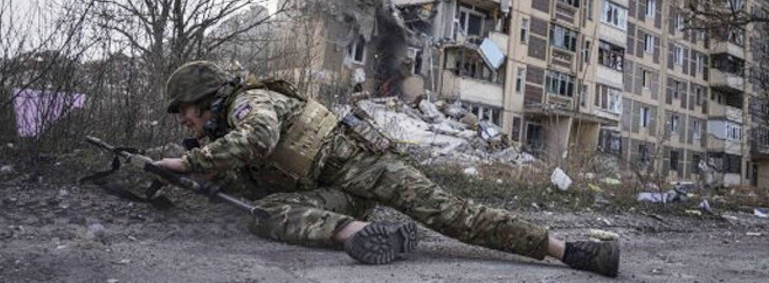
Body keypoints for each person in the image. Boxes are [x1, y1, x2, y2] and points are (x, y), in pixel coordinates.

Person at [154, 61, 619, 277]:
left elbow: (260, 137)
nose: (185, 120)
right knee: (265, 212)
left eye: (185, 110)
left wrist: (189, 160)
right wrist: (205, 172)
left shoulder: (247, 104)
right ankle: (359, 233)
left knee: (455, 216)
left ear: (207, 98)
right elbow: (259, 177)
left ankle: (570, 251)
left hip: (368, 168)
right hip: (338, 195)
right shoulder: (225, 127)